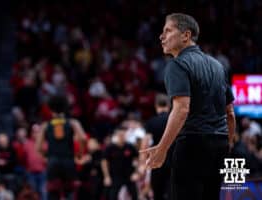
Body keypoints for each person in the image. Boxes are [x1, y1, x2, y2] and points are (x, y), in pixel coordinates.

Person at [140, 13, 236, 200]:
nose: (162, 36)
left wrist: (162, 149)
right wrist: (227, 145)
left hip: (192, 144)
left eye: (167, 31)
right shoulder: (218, 66)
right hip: (219, 144)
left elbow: (182, 109)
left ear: (186, 35)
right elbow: (230, 114)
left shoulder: (177, 64)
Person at [36, 95, 87, 200]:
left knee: (53, 192)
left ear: (51, 109)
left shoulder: (46, 125)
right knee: (70, 191)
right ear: (65, 107)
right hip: (68, 160)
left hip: (53, 161)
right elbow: (83, 138)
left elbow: (38, 147)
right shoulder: (73, 123)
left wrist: (45, 157)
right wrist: (80, 153)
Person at [144, 93, 171, 200]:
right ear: (169, 106)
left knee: (157, 193)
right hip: (173, 160)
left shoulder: (151, 122)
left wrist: (143, 163)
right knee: (172, 191)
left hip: (157, 160)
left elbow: (145, 144)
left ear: (156, 106)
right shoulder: (174, 121)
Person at [101, 126, 139, 200]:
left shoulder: (130, 147)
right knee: (112, 196)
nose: (122, 137)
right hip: (115, 175)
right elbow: (104, 162)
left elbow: (136, 160)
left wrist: (136, 172)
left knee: (135, 195)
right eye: (120, 135)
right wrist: (106, 176)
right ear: (117, 136)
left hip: (129, 175)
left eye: (124, 135)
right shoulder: (110, 147)